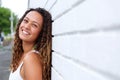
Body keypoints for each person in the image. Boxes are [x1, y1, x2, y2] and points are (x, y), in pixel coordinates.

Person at [9, 7, 52, 80]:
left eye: (34, 25)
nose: (26, 26)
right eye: (26, 21)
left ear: (41, 33)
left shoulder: (31, 59)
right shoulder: (22, 54)